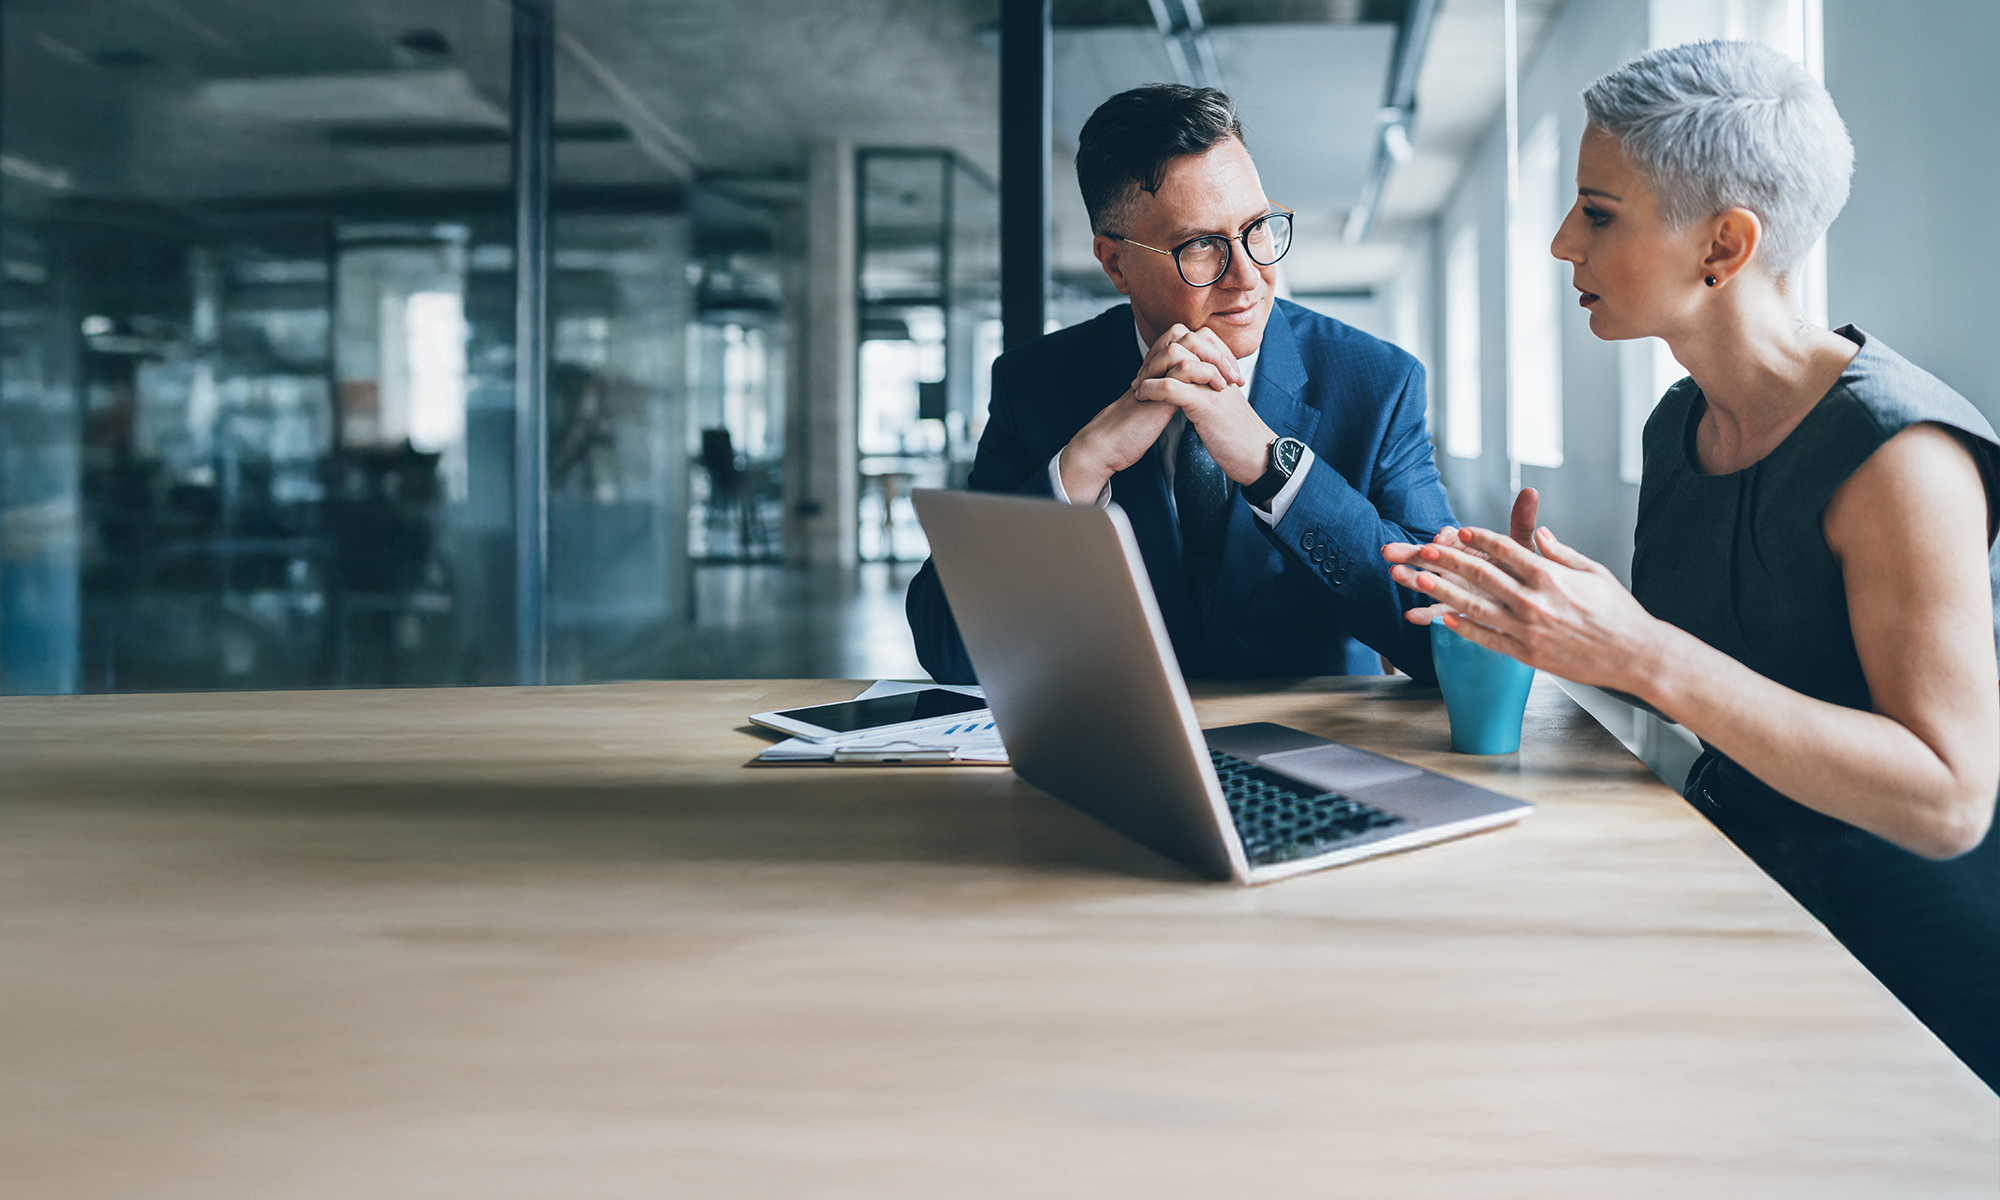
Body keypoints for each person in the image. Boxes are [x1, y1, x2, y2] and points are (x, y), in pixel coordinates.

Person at [1384, 41, 2000, 1088]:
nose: (1557, 242)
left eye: (1597, 211)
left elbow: (1945, 802)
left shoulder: (1903, 461)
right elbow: (1714, 689)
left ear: (1722, 244)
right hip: (1740, 904)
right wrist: (1546, 619)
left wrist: (1638, 649)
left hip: (1908, 990)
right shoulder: (1678, 425)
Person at [907, 84, 1462, 686]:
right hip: (1120, 751)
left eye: (1258, 227)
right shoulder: (1035, 385)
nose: (1249, 277)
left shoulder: (1378, 383)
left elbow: (1442, 637)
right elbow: (948, 646)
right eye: (1201, 246)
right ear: (1115, 263)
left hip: (1319, 750)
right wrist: (1083, 465)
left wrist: (1277, 471)